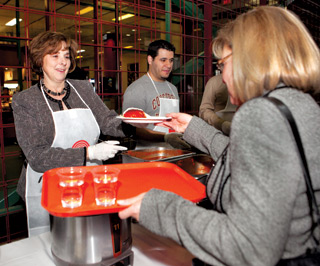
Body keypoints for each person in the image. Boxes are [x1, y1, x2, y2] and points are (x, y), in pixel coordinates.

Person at [118, 6, 320, 265]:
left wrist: (158, 207)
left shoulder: (260, 113)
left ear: (251, 59)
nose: (222, 78)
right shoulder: (301, 104)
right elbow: (249, 158)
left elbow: (248, 248)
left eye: (223, 64)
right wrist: (193, 128)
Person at [12, 31, 139, 237]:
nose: (62, 62)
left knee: (90, 239)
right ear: (39, 60)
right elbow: (37, 156)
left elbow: (107, 121)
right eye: (55, 56)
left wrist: (133, 123)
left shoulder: (83, 89)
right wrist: (88, 154)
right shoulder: (25, 101)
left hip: (87, 181)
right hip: (46, 186)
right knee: (54, 243)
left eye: (66, 55)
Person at [122, 39, 190, 150]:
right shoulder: (136, 89)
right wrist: (165, 137)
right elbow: (133, 129)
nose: (168, 65)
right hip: (147, 156)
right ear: (150, 59)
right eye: (163, 60)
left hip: (172, 152)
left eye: (171, 60)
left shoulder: (173, 89)